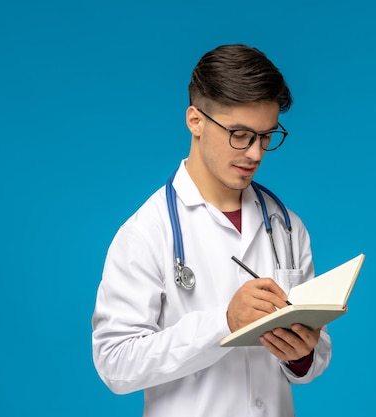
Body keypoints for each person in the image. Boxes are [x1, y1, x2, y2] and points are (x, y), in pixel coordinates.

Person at [92, 44, 332, 416]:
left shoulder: (287, 227)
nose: (255, 153)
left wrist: (302, 355)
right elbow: (115, 363)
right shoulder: (147, 231)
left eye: (266, 136)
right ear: (196, 120)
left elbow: (313, 362)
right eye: (240, 134)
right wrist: (223, 323)